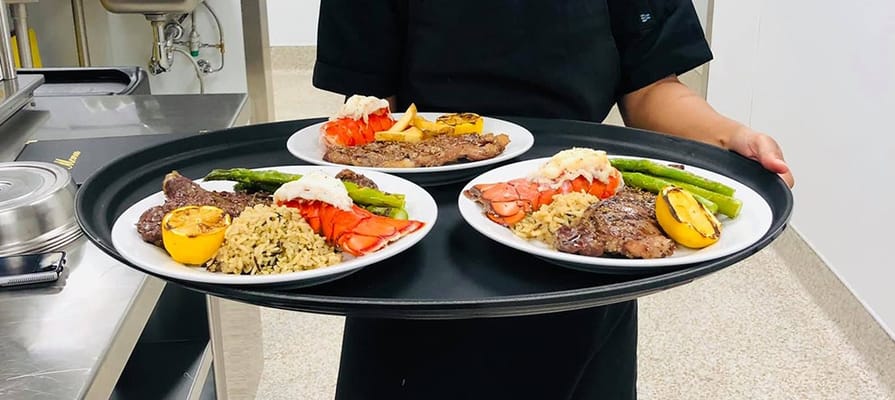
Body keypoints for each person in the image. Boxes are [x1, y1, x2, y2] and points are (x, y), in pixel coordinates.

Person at [312, 1, 795, 399]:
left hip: (578, 239)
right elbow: (373, 112)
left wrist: (727, 137)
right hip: (425, 248)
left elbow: (650, 89)